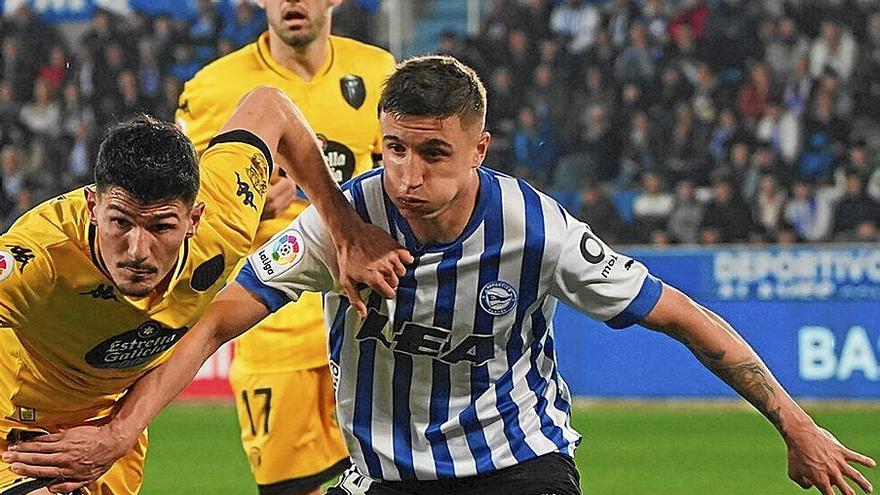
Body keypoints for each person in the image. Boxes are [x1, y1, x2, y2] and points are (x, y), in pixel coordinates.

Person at [6, 56, 875, 495]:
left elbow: (683, 316)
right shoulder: (335, 223)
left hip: (516, 469)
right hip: (383, 478)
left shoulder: (537, 230)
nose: (408, 176)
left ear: (479, 151)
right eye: (392, 150)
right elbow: (216, 319)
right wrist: (124, 428)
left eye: (433, 154)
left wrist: (797, 426)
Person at [0, 86, 409, 495]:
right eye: (120, 223)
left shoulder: (225, 215)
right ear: (92, 206)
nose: (138, 251)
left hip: (111, 429)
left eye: (161, 227)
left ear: (195, 218)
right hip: (19, 434)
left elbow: (270, 105)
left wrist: (345, 230)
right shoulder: (39, 258)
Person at [175, 0, 397, 493]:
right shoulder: (213, 89)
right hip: (268, 319)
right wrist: (244, 200)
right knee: (287, 489)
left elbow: (403, 183)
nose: (293, 2)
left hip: (366, 315)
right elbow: (174, 209)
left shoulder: (379, 72)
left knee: (396, 479)